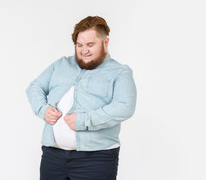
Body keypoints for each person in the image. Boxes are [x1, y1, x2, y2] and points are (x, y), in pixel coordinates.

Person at [26, 16, 137, 180]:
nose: (84, 50)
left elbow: (125, 106)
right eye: (79, 45)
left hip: (96, 159)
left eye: (90, 45)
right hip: (53, 156)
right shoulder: (61, 64)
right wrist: (43, 110)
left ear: (105, 43)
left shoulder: (120, 72)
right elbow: (35, 87)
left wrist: (85, 120)